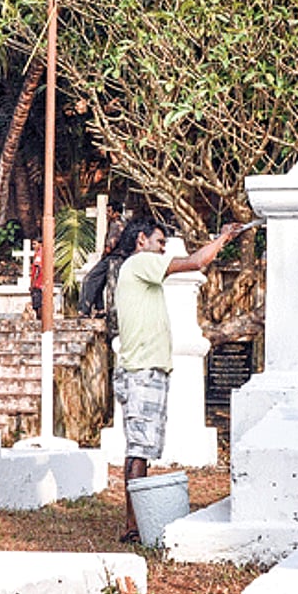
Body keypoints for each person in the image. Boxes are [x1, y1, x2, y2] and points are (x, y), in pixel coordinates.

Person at [113, 217, 243, 542]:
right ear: (141, 240)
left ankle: (136, 521)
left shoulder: (139, 269)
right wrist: (224, 237)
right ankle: (133, 527)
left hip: (146, 369)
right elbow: (197, 261)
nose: (161, 250)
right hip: (142, 370)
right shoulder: (141, 261)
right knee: (139, 450)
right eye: (159, 243)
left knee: (142, 448)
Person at [29, 238, 45, 315]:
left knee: (37, 304)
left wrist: (32, 284)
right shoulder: (43, 253)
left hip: (38, 283)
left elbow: (37, 270)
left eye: (35, 244)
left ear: (40, 244)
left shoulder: (39, 254)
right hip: (40, 283)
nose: (33, 246)